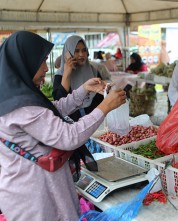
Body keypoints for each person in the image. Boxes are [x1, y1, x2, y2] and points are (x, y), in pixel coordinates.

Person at [0, 31, 126, 221]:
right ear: (25, 62)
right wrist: (105, 106)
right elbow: (68, 137)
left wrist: (83, 90)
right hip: (34, 198)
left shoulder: (14, 96)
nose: (46, 68)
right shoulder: (21, 107)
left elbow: (51, 110)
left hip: (34, 188)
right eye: (41, 61)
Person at [53, 35, 111, 179]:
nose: (81, 54)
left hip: (96, 130)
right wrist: (67, 73)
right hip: (75, 132)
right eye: (76, 51)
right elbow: (60, 102)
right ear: (68, 53)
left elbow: (100, 99)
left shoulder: (93, 71)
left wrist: (107, 91)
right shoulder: (61, 75)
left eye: (84, 50)